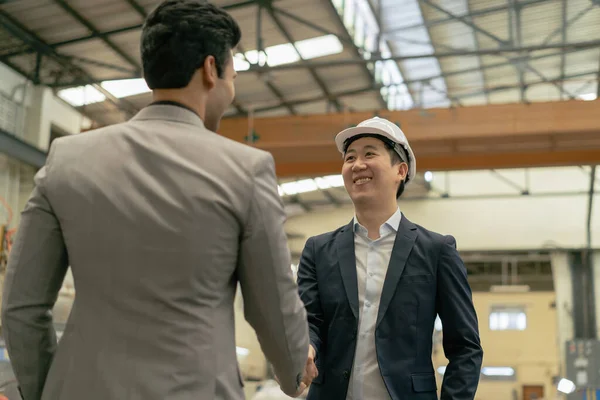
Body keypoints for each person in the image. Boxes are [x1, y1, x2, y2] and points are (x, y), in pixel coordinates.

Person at [1, 1, 314, 399]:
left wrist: (48, 389)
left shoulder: (67, 159)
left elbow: (21, 308)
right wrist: (294, 375)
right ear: (211, 69)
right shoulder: (246, 170)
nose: (231, 90)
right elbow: (273, 305)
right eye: (232, 76)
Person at [296, 117, 483, 399]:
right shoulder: (318, 250)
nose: (357, 165)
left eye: (369, 153)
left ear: (401, 170)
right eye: (350, 157)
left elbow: (465, 347)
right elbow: (309, 320)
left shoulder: (436, 251)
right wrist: (305, 349)